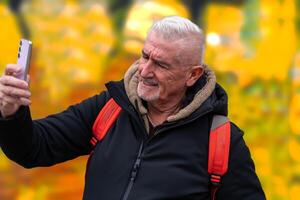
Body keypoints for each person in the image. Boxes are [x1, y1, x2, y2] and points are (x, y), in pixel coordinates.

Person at [0, 16, 265, 200]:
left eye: (161, 65)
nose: (144, 71)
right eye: (145, 56)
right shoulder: (110, 107)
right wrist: (11, 112)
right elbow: (32, 149)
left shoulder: (222, 140)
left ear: (193, 75)